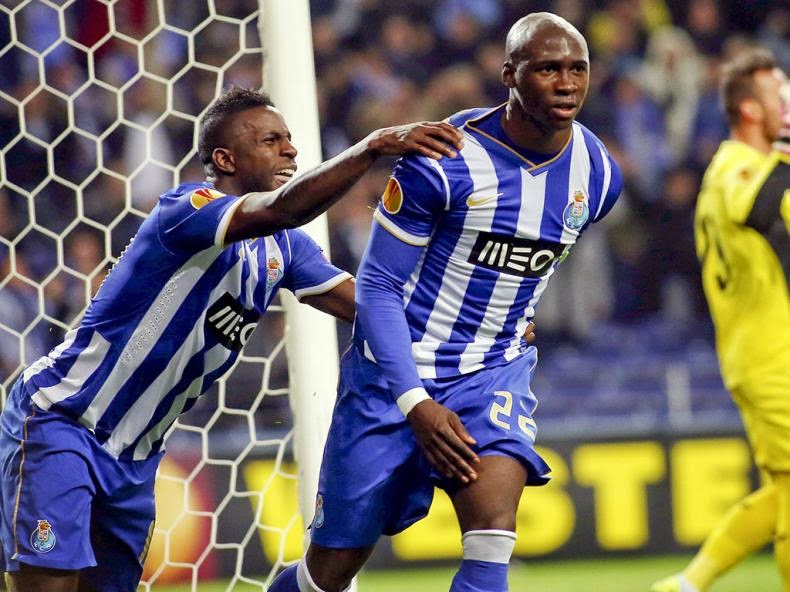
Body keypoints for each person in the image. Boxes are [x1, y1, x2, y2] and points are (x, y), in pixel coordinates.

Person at [0, 85, 466, 592]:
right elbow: (284, 209)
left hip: (135, 457)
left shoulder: (284, 249)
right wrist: (372, 146)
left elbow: (375, 308)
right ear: (225, 159)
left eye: (288, 139)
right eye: (270, 140)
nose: (290, 149)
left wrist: (484, 318)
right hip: (64, 421)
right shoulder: (187, 209)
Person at [270, 12, 622, 592]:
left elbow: (531, 258)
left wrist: (512, 312)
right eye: (548, 69)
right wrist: (415, 402)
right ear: (509, 75)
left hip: (490, 371)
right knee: (326, 576)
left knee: (492, 538)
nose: (566, 84)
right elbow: (378, 287)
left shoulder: (600, 175)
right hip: (392, 377)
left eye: (577, 69)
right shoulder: (443, 159)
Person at [651, 49, 789, 592]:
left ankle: (687, 584)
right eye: (779, 95)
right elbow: (759, 206)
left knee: (782, 489)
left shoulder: (757, 166)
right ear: (750, 109)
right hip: (769, 357)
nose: (787, 103)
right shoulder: (736, 165)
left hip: (767, 352)